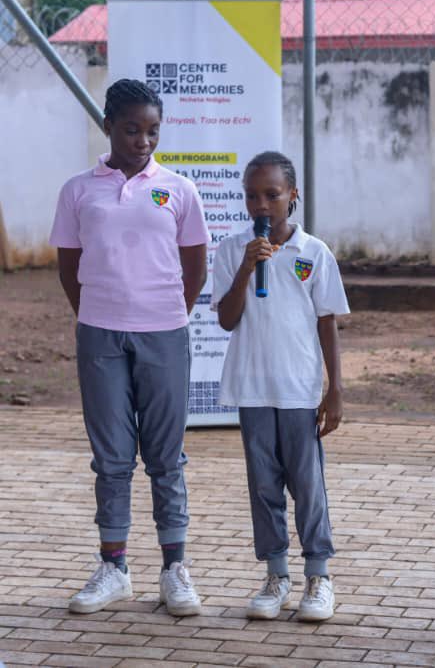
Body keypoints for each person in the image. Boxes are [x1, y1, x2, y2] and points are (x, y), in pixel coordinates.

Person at [51, 78, 208, 616]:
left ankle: (174, 569)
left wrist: (167, 313)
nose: (143, 140)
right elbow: (69, 266)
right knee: (112, 457)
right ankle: (114, 567)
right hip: (99, 334)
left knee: (166, 456)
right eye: (132, 129)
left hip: (164, 333)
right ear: (109, 127)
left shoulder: (180, 189)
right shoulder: (78, 190)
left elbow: (195, 263)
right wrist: (97, 311)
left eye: (152, 131)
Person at [211, 151, 349, 623]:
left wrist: (335, 389)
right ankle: (276, 575)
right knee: (263, 485)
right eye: (252, 196)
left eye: (272, 194)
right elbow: (227, 320)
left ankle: (319, 575)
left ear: (293, 196)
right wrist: (248, 268)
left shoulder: (315, 253)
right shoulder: (233, 250)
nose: (262, 205)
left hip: (298, 388)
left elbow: (327, 322)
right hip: (252, 388)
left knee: (307, 484)